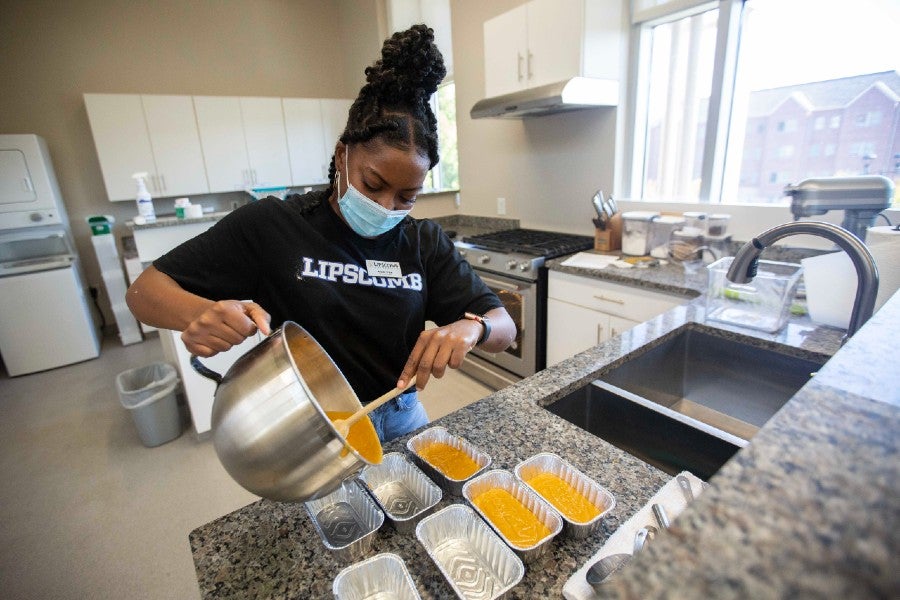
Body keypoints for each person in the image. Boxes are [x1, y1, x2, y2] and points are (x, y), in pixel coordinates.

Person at [126, 24, 516, 443]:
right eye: (372, 184)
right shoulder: (272, 224)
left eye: (407, 196)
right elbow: (143, 293)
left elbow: (504, 327)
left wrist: (474, 328)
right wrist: (197, 314)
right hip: (308, 428)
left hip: (401, 415)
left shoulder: (423, 242)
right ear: (343, 155)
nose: (386, 207)